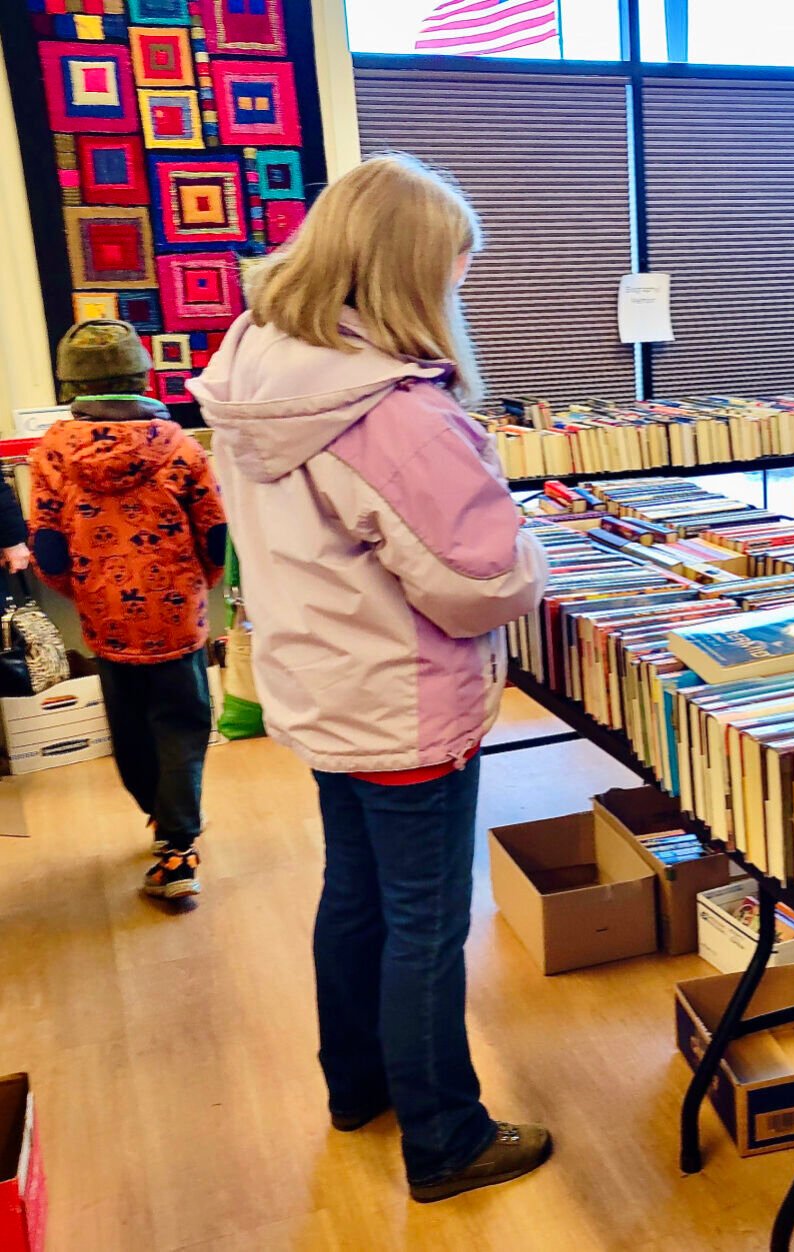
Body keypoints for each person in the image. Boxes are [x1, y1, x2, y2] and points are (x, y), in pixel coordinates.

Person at [189, 153, 552, 1204]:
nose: (460, 294)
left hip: (322, 685)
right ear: (405, 273)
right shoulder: (391, 410)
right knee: (427, 921)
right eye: (453, 272)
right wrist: (531, 553)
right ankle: (446, 1138)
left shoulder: (258, 359)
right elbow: (477, 582)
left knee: (356, 895)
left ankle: (357, 1088)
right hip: (403, 700)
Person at [29, 319, 226, 899]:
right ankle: (177, 847)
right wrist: (196, 585)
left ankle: (160, 814)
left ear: (71, 388)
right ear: (142, 375)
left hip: (105, 618)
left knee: (131, 728)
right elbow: (214, 536)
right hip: (175, 615)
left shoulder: (51, 455)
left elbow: (47, 547)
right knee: (183, 724)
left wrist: (87, 593)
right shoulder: (180, 446)